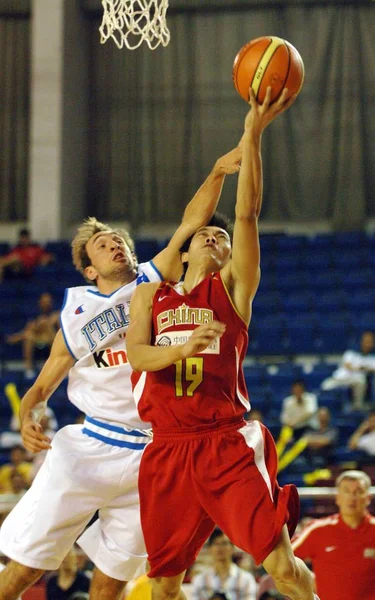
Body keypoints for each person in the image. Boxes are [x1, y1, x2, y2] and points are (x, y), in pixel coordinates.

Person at [0, 145, 242, 600]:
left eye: (119, 240)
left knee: (111, 583)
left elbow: (191, 222)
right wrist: (28, 413)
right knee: (25, 570)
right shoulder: (77, 314)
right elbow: (44, 382)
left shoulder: (153, 280)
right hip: (90, 446)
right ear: (91, 268)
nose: (114, 244)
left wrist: (216, 172)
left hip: (153, 453)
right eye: (102, 243)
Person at [127, 87, 318, 600]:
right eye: (204, 235)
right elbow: (139, 357)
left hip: (225, 442)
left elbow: (247, 213)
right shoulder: (150, 295)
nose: (215, 238)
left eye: (222, 237)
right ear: (184, 250)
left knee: (280, 563)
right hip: (166, 447)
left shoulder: (233, 290)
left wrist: (252, 134)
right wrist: (181, 350)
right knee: (163, 583)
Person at [292, 470, 375, 600]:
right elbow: (286, 558)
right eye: (346, 491)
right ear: (338, 497)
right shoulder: (318, 529)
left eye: (358, 491)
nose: (352, 497)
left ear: (368, 498)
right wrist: (307, 580)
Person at [191, 528, 257, 600]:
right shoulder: (200, 580)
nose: (220, 548)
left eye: (224, 543)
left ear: (233, 547)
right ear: (210, 548)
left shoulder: (246, 579)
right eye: (216, 544)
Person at [6, 291, 60, 378]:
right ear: (40, 302)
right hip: (39, 339)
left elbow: (62, 331)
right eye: (44, 301)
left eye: (48, 301)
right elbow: (29, 329)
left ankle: (57, 366)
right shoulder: (35, 315)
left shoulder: (56, 315)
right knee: (28, 335)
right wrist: (38, 325)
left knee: (45, 323)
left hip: (53, 339)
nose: (46, 303)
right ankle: (28, 368)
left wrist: (47, 324)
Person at [321, 330, 375, 409]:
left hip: (357, 380)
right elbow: (347, 366)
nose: (367, 344)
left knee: (361, 382)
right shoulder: (351, 352)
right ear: (361, 341)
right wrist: (362, 368)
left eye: (370, 342)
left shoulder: (372, 357)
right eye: (366, 341)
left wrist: (360, 369)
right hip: (341, 378)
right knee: (325, 386)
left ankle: (357, 407)